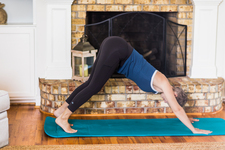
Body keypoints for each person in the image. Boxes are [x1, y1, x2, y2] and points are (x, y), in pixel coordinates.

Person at [54, 36, 212, 134]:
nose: (167, 102)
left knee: (91, 84)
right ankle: (64, 118)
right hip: (117, 49)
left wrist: (186, 118)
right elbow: (176, 108)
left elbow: (176, 109)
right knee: (94, 87)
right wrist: (194, 130)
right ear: (174, 94)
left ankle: (61, 110)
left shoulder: (163, 87)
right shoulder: (164, 83)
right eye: (170, 100)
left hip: (115, 48)